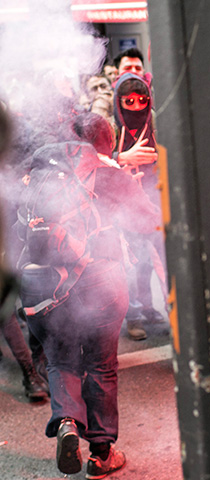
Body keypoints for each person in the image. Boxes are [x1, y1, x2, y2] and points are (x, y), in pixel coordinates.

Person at [18, 111, 159, 478]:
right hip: (100, 281)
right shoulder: (112, 176)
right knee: (100, 365)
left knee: (60, 360)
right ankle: (101, 454)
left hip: (43, 283)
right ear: (106, 143)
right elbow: (148, 222)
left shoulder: (37, 175)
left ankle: (66, 422)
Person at [112, 72, 165, 341]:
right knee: (133, 264)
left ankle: (156, 309)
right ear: (117, 102)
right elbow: (90, 157)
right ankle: (134, 316)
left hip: (156, 201)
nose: (136, 107)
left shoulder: (156, 121)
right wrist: (119, 157)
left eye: (141, 100)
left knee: (162, 261)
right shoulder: (110, 126)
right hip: (124, 206)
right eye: (128, 101)